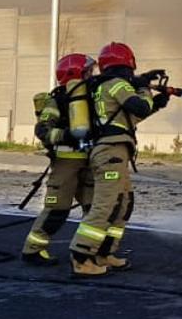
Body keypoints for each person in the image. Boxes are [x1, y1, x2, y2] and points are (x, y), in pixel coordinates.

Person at [68, 41, 171, 277]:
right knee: (106, 205)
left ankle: (104, 253)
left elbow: (126, 119)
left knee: (122, 204)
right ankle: (81, 257)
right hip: (110, 152)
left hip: (115, 151)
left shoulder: (104, 86)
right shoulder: (116, 84)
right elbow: (140, 107)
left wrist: (156, 103)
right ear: (128, 63)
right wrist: (144, 88)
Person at [21, 53, 97, 266]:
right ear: (76, 74)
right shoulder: (58, 100)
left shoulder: (92, 97)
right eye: (88, 72)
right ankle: (33, 250)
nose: (92, 76)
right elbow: (43, 130)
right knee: (57, 210)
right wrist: (67, 135)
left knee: (94, 209)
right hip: (66, 163)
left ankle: (88, 252)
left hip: (91, 161)